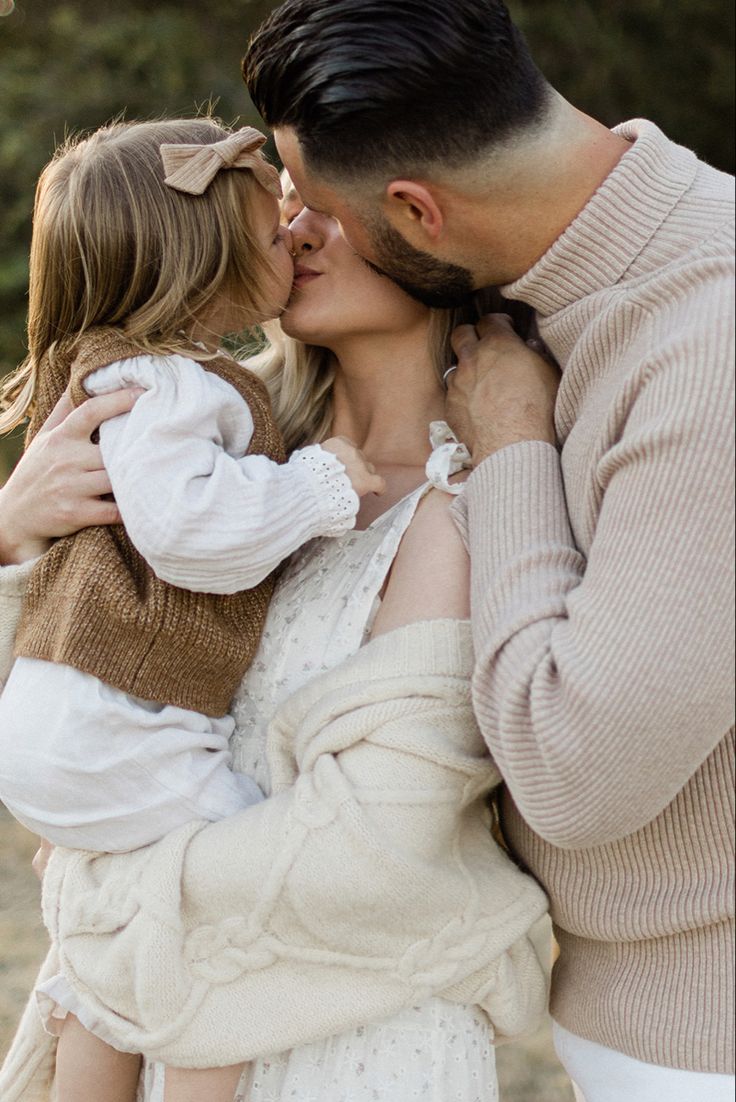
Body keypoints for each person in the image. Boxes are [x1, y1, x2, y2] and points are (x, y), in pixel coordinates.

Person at [242, 1, 735, 1100]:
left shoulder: (710, 346)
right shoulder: (546, 284)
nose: (288, 236)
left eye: (315, 207)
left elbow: (573, 772)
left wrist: (512, 447)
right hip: (609, 1007)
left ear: (416, 211)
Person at [0, 183, 550, 1099]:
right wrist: (13, 537)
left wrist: (97, 882)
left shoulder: (469, 503)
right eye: (290, 204)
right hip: (141, 1013)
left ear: (434, 232)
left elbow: (374, 845)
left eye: (333, 205)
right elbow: (56, 705)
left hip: (344, 1039)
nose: (296, 230)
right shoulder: (202, 458)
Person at [0, 117, 386, 1102]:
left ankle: (98, 1047)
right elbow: (186, 530)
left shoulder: (119, 369)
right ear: (204, 266)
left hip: (73, 720)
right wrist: (317, 486)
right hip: (112, 718)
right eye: (270, 232)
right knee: (238, 908)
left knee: (119, 940)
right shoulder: (175, 387)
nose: (291, 235)